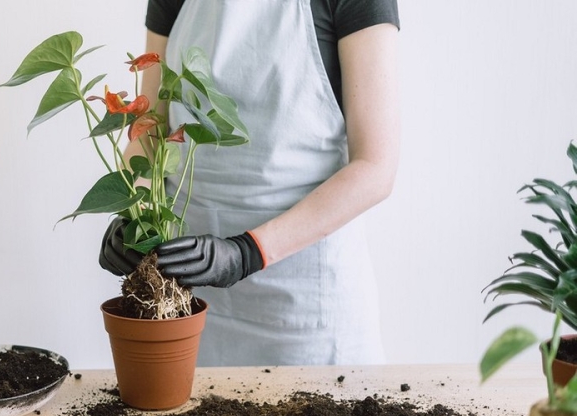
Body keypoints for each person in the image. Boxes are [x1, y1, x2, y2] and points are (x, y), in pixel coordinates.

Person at [100, 0, 401, 367]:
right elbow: (152, 128)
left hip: (303, 308)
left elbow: (375, 167)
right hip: (185, 292)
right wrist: (136, 213)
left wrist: (247, 252)